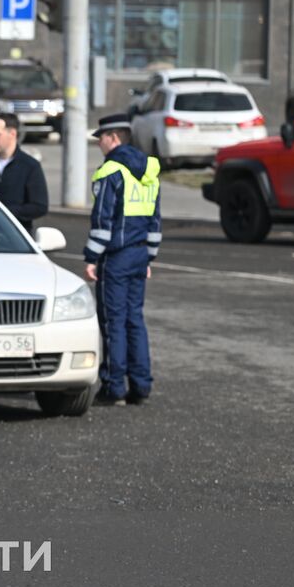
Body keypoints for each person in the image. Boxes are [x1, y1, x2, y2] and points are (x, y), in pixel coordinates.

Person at [83, 113, 162, 407]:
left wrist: (91, 258)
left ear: (113, 138)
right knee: (134, 320)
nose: (99, 144)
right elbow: (155, 222)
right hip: (140, 254)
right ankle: (141, 386)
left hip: (115, 257)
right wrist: (149, 257)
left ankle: (114, 386)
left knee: (113, 321)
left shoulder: (110, 172)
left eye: (100, 138)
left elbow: (102, 221)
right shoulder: (150, 171)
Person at [0, 112, 49, 233]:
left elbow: (39, 206)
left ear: (12, 134)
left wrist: (3, 213)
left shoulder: (30, 166)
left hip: (17, 237)